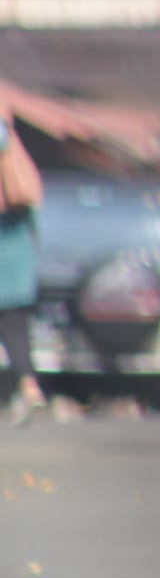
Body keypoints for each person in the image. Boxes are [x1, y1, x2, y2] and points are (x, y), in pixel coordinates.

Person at [0, 107, 46, 427]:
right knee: (15, 324)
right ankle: (28, 386)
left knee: (12, 324)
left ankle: (26, 387)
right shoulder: (10, 140)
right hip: (17, 247)